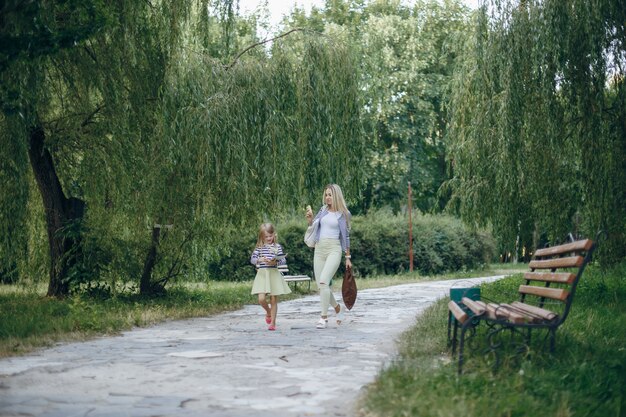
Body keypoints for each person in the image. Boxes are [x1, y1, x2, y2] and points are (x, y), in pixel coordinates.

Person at [305, 184, 352, 329]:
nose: (327, 197)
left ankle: (323, 318)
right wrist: (310, 220)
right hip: (319, 249)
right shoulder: (323, 210)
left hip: (334, 249)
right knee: (321, 285)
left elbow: (346, 236)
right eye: (326, 195)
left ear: (336, 195)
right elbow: (315, 226)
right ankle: (338, 308)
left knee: (324, 282)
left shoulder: (343, 213)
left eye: (330, 195)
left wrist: (348, 257)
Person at [250, 223, 291, 331]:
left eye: (270, 236)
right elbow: (252, 260)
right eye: (266, 237)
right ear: (262, 237)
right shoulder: (259, 248)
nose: (268, 238)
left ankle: (273, 323)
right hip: (263, 274)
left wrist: (275, 262)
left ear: (274, 234)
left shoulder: (277, 247)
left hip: (273, 274)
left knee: (273, 299)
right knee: (261, 299)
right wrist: (260, 260)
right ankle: (268, 312)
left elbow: (283, 260)